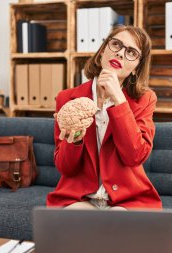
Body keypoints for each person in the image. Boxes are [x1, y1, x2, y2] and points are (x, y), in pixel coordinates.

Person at [46, 25, 162, 210]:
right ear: (102, 52)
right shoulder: (67, 99)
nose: (121, 54)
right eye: (116, 45)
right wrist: (74, 138)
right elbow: (65, 168)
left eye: (131, 52)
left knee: (115, 228)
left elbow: (135, 156)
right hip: (80, 198)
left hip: (126, 200)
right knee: (69, 226)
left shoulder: (145, 99)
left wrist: (119, 99)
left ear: (136, 68)